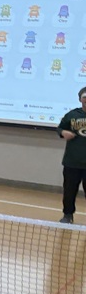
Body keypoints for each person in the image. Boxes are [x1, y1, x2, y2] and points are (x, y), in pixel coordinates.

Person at [57, 86, 86, 223]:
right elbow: (60, 127)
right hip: (72, 162)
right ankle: (68, 215)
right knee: (69, 191)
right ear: (80, 99)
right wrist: (63, 133)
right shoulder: (72, 115)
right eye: (84, 97)